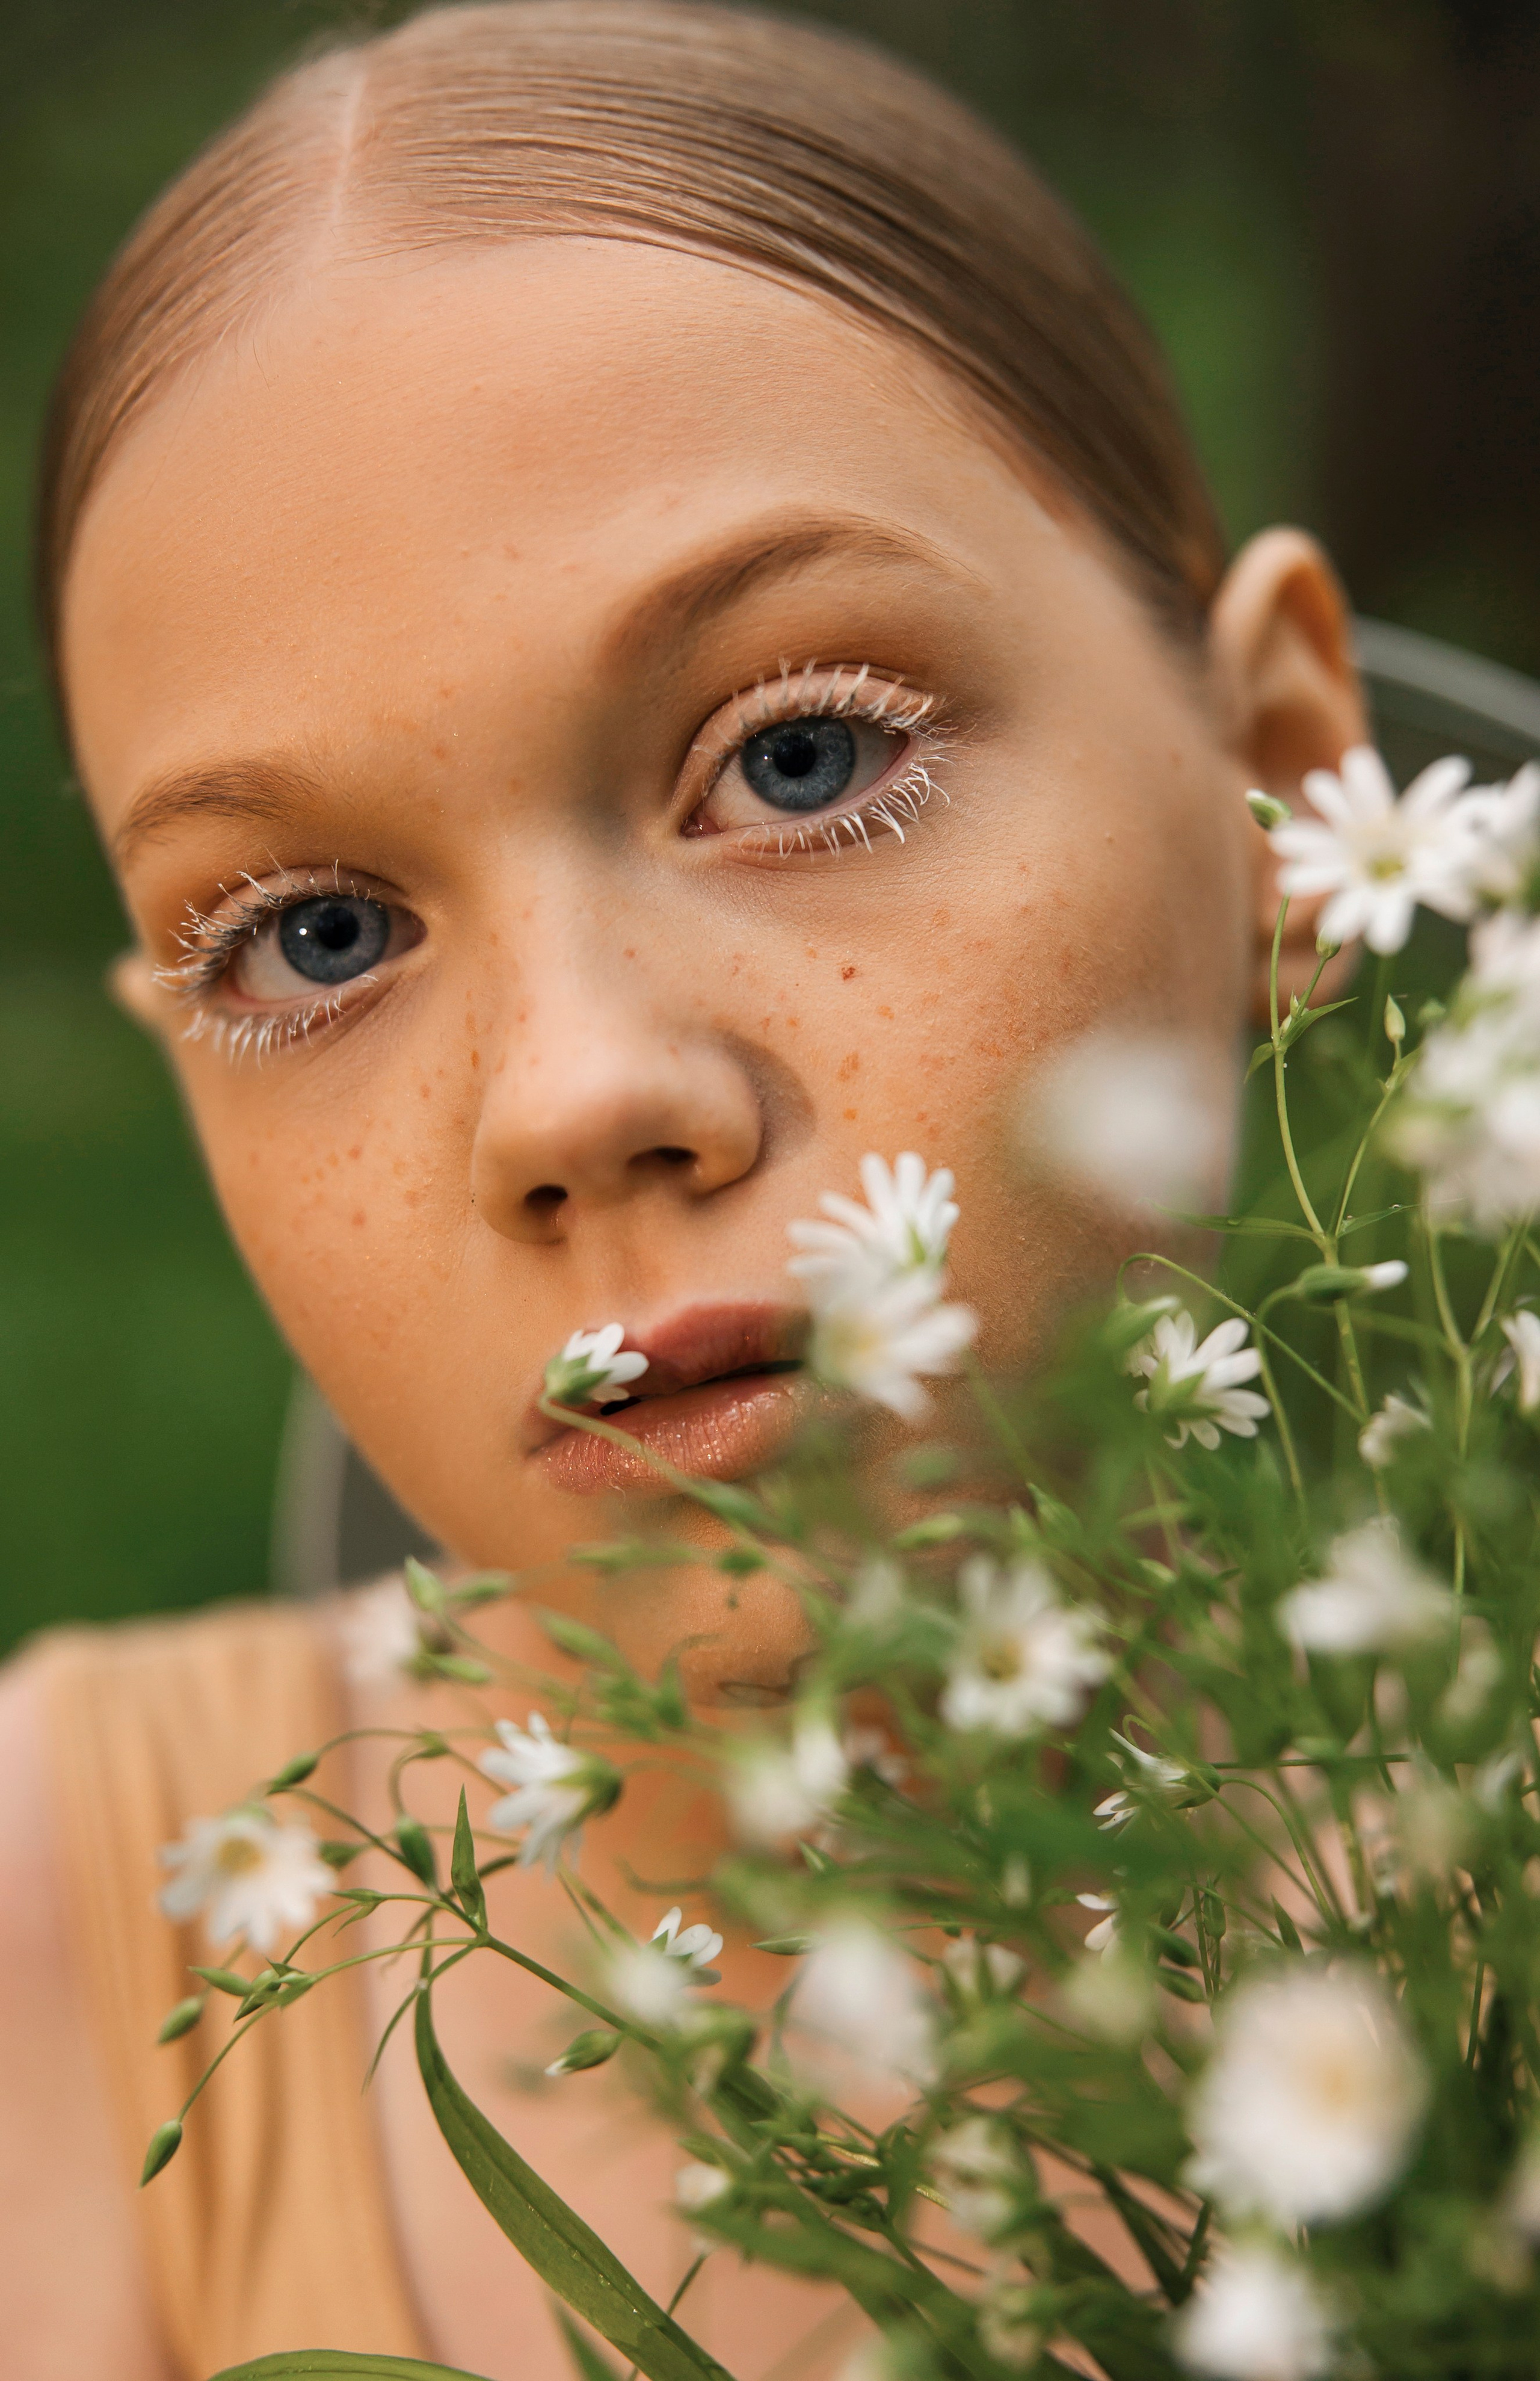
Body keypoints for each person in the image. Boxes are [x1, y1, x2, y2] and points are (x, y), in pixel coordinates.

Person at [0, 4, 1366, 2374]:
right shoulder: (59, 1949)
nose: (575, 1096)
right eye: (315, 938)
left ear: (1272, 791)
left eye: (803, 752)